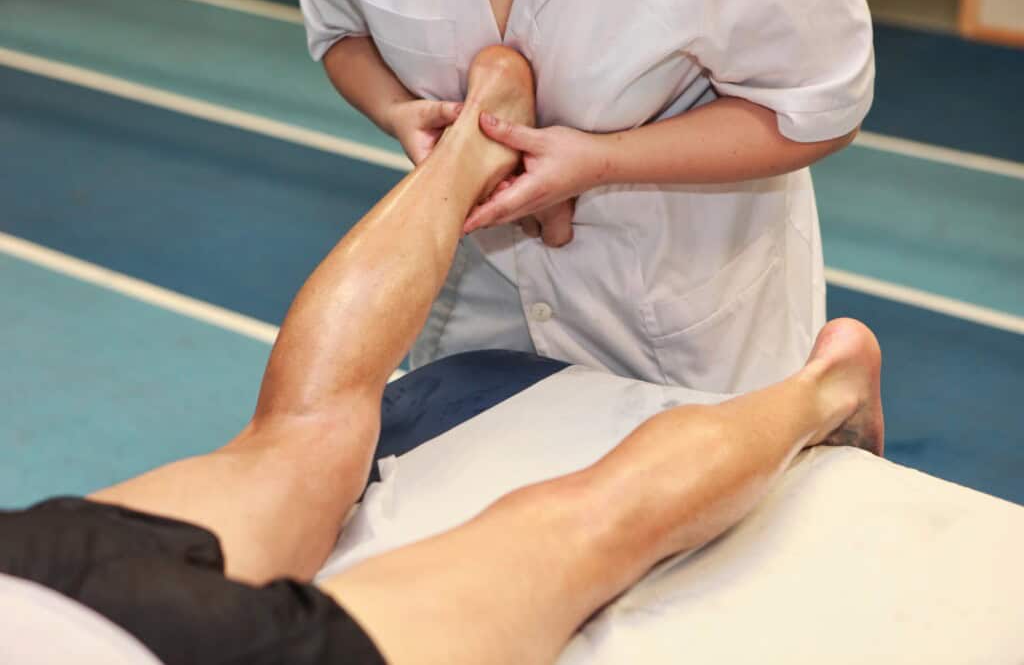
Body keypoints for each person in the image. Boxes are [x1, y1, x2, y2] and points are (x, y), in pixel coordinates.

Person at [0, 48, 882, 665]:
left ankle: (823, 384)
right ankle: (473, 140)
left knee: (585, 529)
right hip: (29, 578)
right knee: (296, 433)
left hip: (148, 645)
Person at [299, 0, 876, 393]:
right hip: (482, 278)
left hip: (679, 295)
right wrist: (399, 111)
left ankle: (833, 393)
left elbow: (820, 109)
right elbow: (341, 30)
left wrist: (602, 162)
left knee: (704, 527)